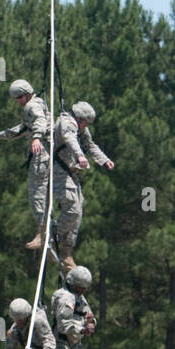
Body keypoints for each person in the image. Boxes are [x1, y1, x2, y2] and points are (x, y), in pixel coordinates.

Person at [0, 80, 52, 249]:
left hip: (42, 153)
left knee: (37, 191)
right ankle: (48, 231)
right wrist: (0, 135)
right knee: (45, 191)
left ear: (24, 95)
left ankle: (43, 233)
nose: (16, 102)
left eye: (17, 98)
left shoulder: (32, 107)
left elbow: (39, 121)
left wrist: (36, 137)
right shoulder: (36, 103)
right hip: (49, 152)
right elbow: (22, 128)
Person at [50, 101, 114, 269]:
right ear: (79, 118)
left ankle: (66, 251)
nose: (86, 127)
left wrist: (104, 160)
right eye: (85, 123)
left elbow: (90, 145)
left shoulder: (81, 128)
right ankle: (50, 237)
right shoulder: (66, 123)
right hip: (58, 171)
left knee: (78, 212)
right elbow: (70, 139)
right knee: (72, 208)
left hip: (70, 172)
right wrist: (80, 156)